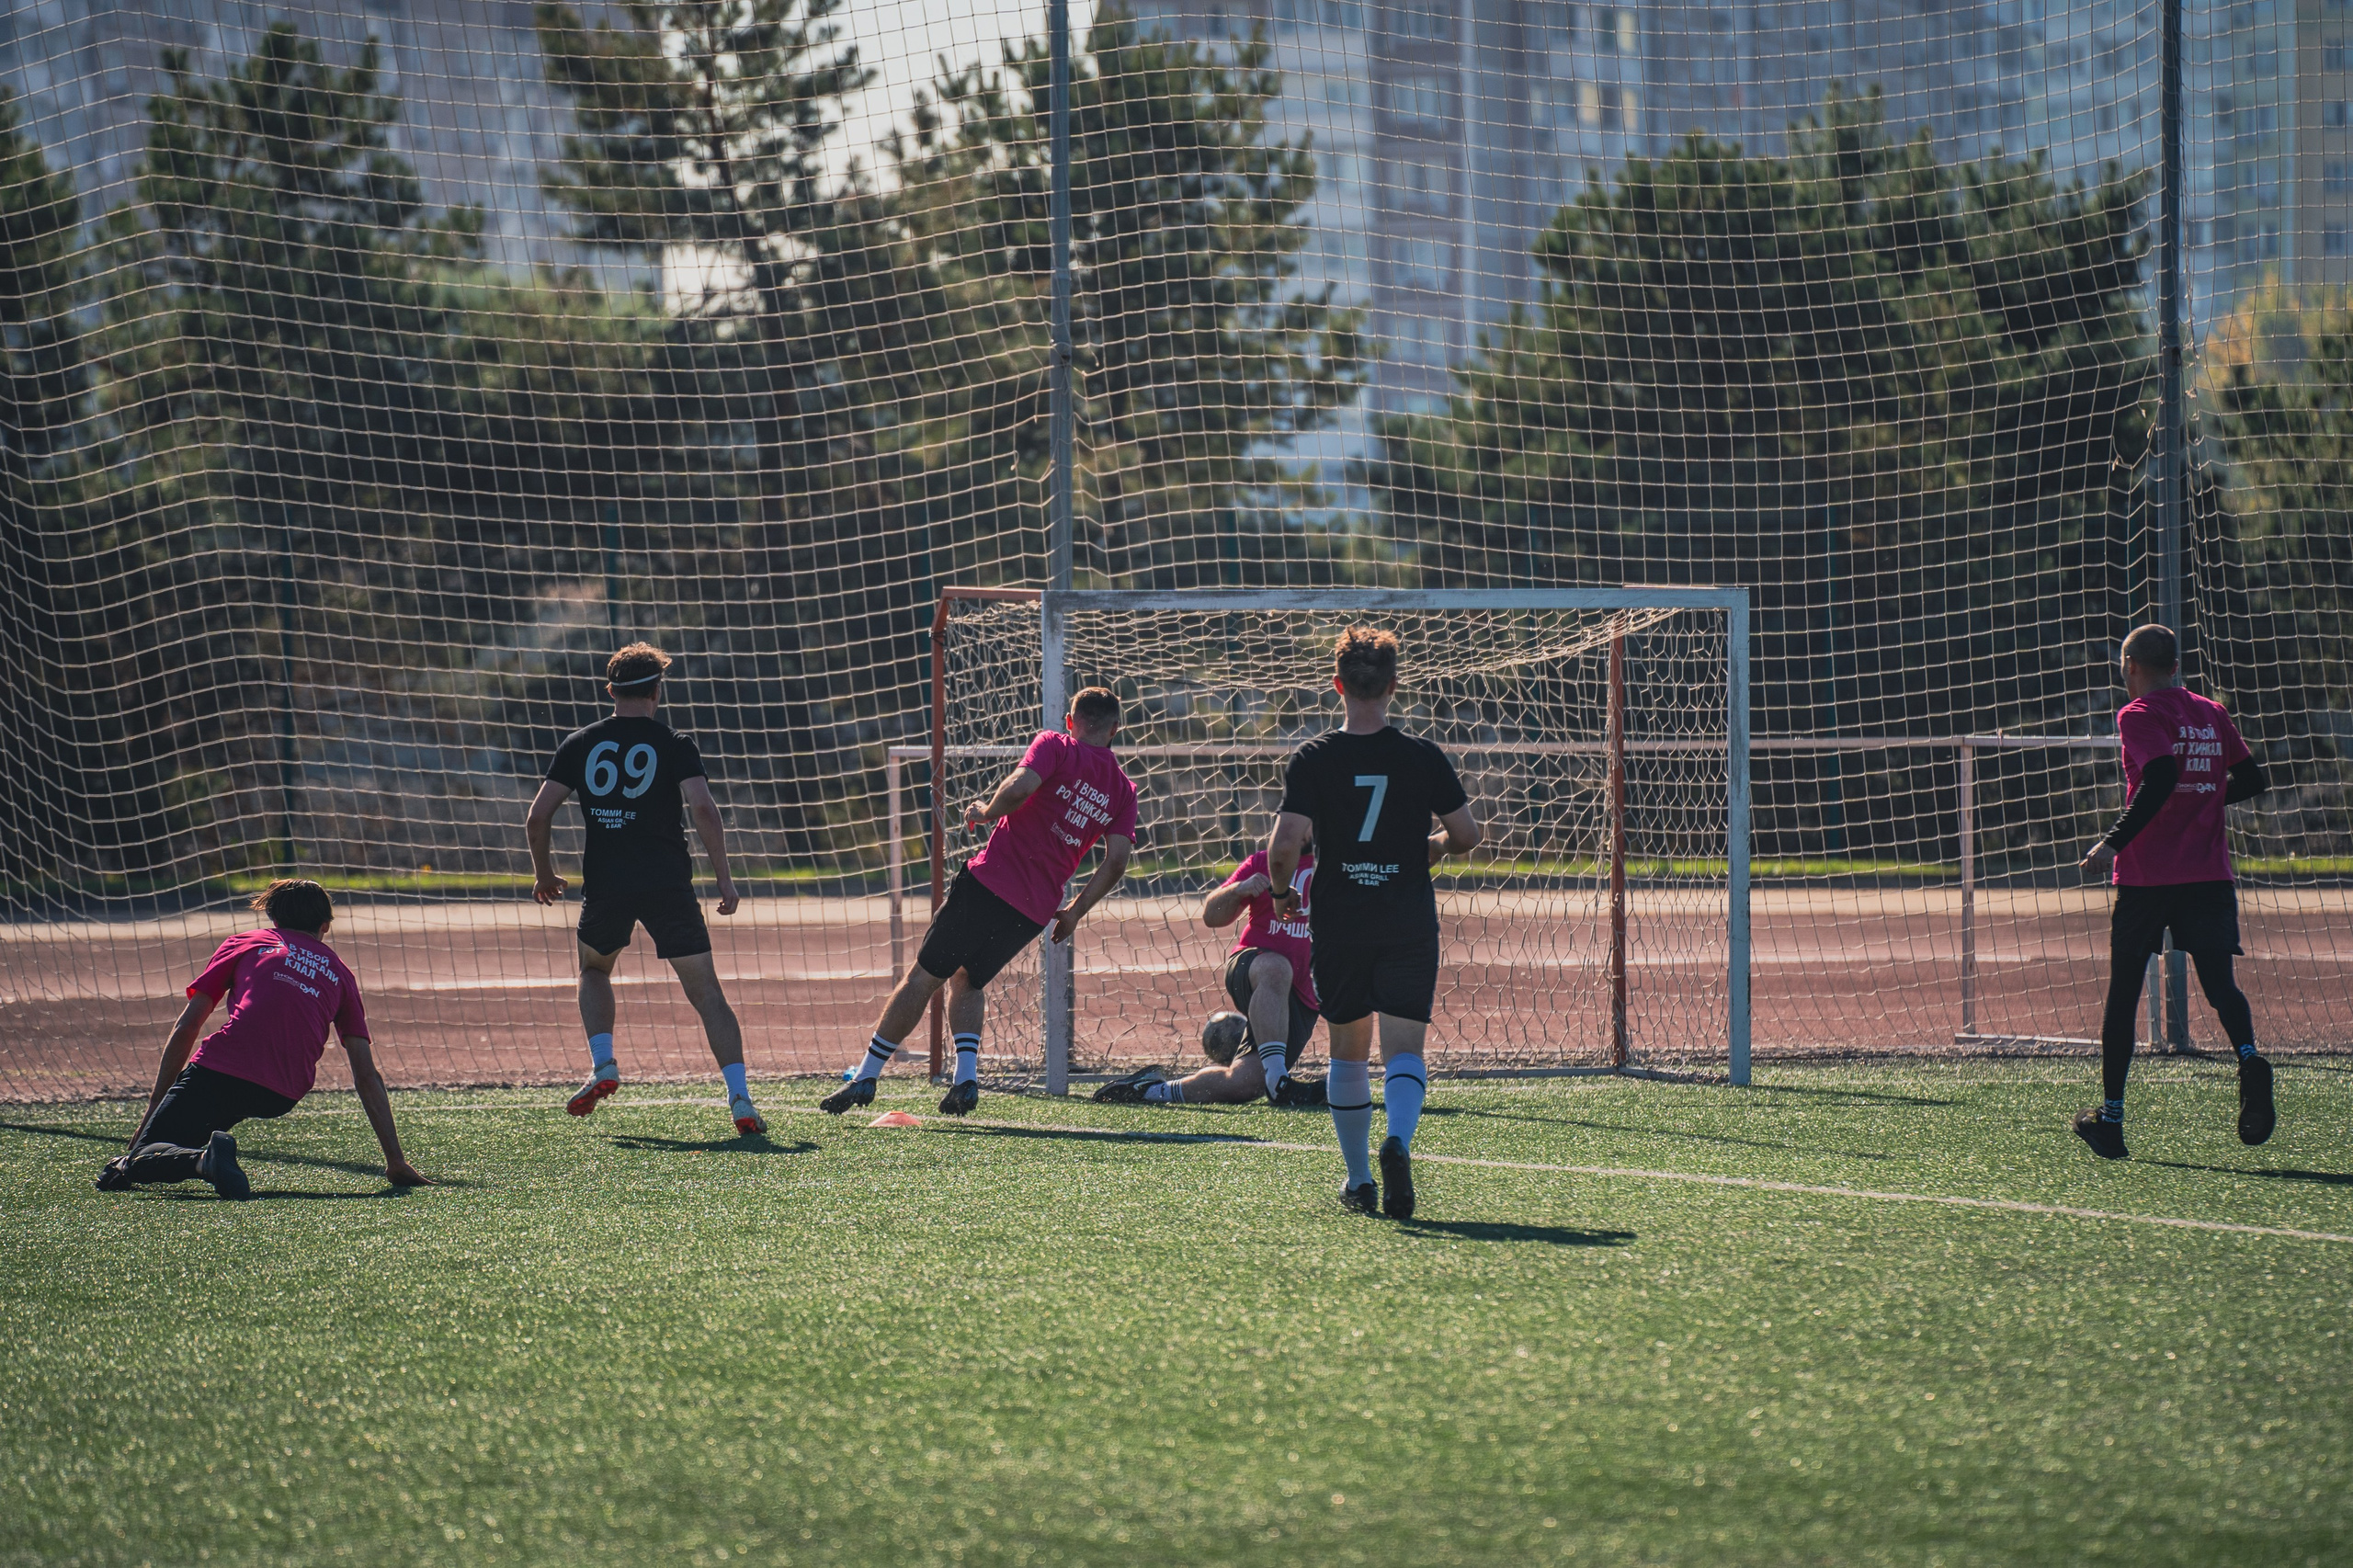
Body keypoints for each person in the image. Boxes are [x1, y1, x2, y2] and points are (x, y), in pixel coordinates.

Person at [824, 687, 1138, 1118]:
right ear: (1116, 729)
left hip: (989, 883)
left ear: (1071, 721)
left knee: (922, 978)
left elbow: (1019, 786)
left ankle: (865, 1076)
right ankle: (965, 1080)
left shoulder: (1056, 745)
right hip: (1034, 910)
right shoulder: (1123, 789)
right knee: (968, 980)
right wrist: (1074, 912)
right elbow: (1117, 861)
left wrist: (986, 811)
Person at [1267, 626, 1482, 1218]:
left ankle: (1359, 1179)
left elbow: (1283, 846)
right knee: (1405, 1048)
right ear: (1392, 686)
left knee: (1348, 1052)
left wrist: (1282, 892)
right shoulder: (1421, 756)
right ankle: (1400, 1141)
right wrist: (1432, 848)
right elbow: (1467, 835)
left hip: (1341, 921)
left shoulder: (1314, 757)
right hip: (1406, 917)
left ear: (1337, 686)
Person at [527, 642, 763, 1137]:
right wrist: (724, 877)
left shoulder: (579, 742)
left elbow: (538, 814)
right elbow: (702, 808)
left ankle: (604, 1064)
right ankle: (740, 1097)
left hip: (608, 884)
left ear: (611, 690)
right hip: (667, 884)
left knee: (594, 969)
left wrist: (544, 874)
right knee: (707, 994)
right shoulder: (675, 742)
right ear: (658, 690)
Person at [2073, 625, 2275, 1159]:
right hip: (2208, 874)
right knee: (2219, 984)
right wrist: (2205, 797)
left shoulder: (2138, 714)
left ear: (2132, 664)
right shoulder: (2211, 711)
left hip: (2147, 877)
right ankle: (2251, 1059)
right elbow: (2253, 781)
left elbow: (2160, 777)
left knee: (2123, 997)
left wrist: (2113, 843)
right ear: (2177, 664)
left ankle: (2111, 1121)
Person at [96, 880, 428, 1199]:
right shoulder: (341, 973)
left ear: (272, 917)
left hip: (220, 1070)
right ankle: (191, 1153)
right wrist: (395, 1160)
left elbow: (189, 1025)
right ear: (325, 925)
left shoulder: (247, 942)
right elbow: (366, 1075)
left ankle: (200, 1161)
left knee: (139, 1160)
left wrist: (155, 1103)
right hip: (281, 1092)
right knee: (175, 1139)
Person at [1094, 840, 1325, 1107]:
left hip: (1303, 997)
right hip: (1252, 968)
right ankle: (1279, 1082)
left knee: (1245, 1084)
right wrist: (1240, 889)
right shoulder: (1263, 862)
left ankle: (1151, 1090)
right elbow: (1211, 916)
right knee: (1277, 968)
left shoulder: (1337, 869)